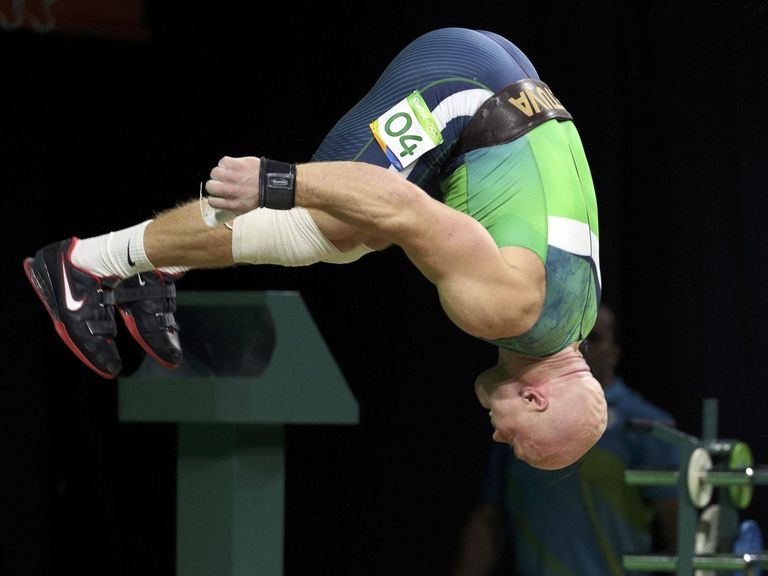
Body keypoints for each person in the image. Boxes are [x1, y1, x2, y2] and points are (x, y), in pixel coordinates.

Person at [23, 27, 606, 470]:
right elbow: (396, 202)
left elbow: (416, 220)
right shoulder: (504, 312)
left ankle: (156, 267)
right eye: (518, 443)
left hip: (505, 79)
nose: (499, 439)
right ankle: (85, 263)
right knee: (327, 229)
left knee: (367, 233)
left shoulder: (574, 315)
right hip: (461, 84)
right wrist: (277, 181)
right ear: (534, 399)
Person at [452, 303, 679, 576]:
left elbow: (676, 522)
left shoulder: (648, 426)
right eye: (572, 335)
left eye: (593, 338)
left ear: (615, 353)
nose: (581, 347)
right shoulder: (519, 417)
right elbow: (490, 519)